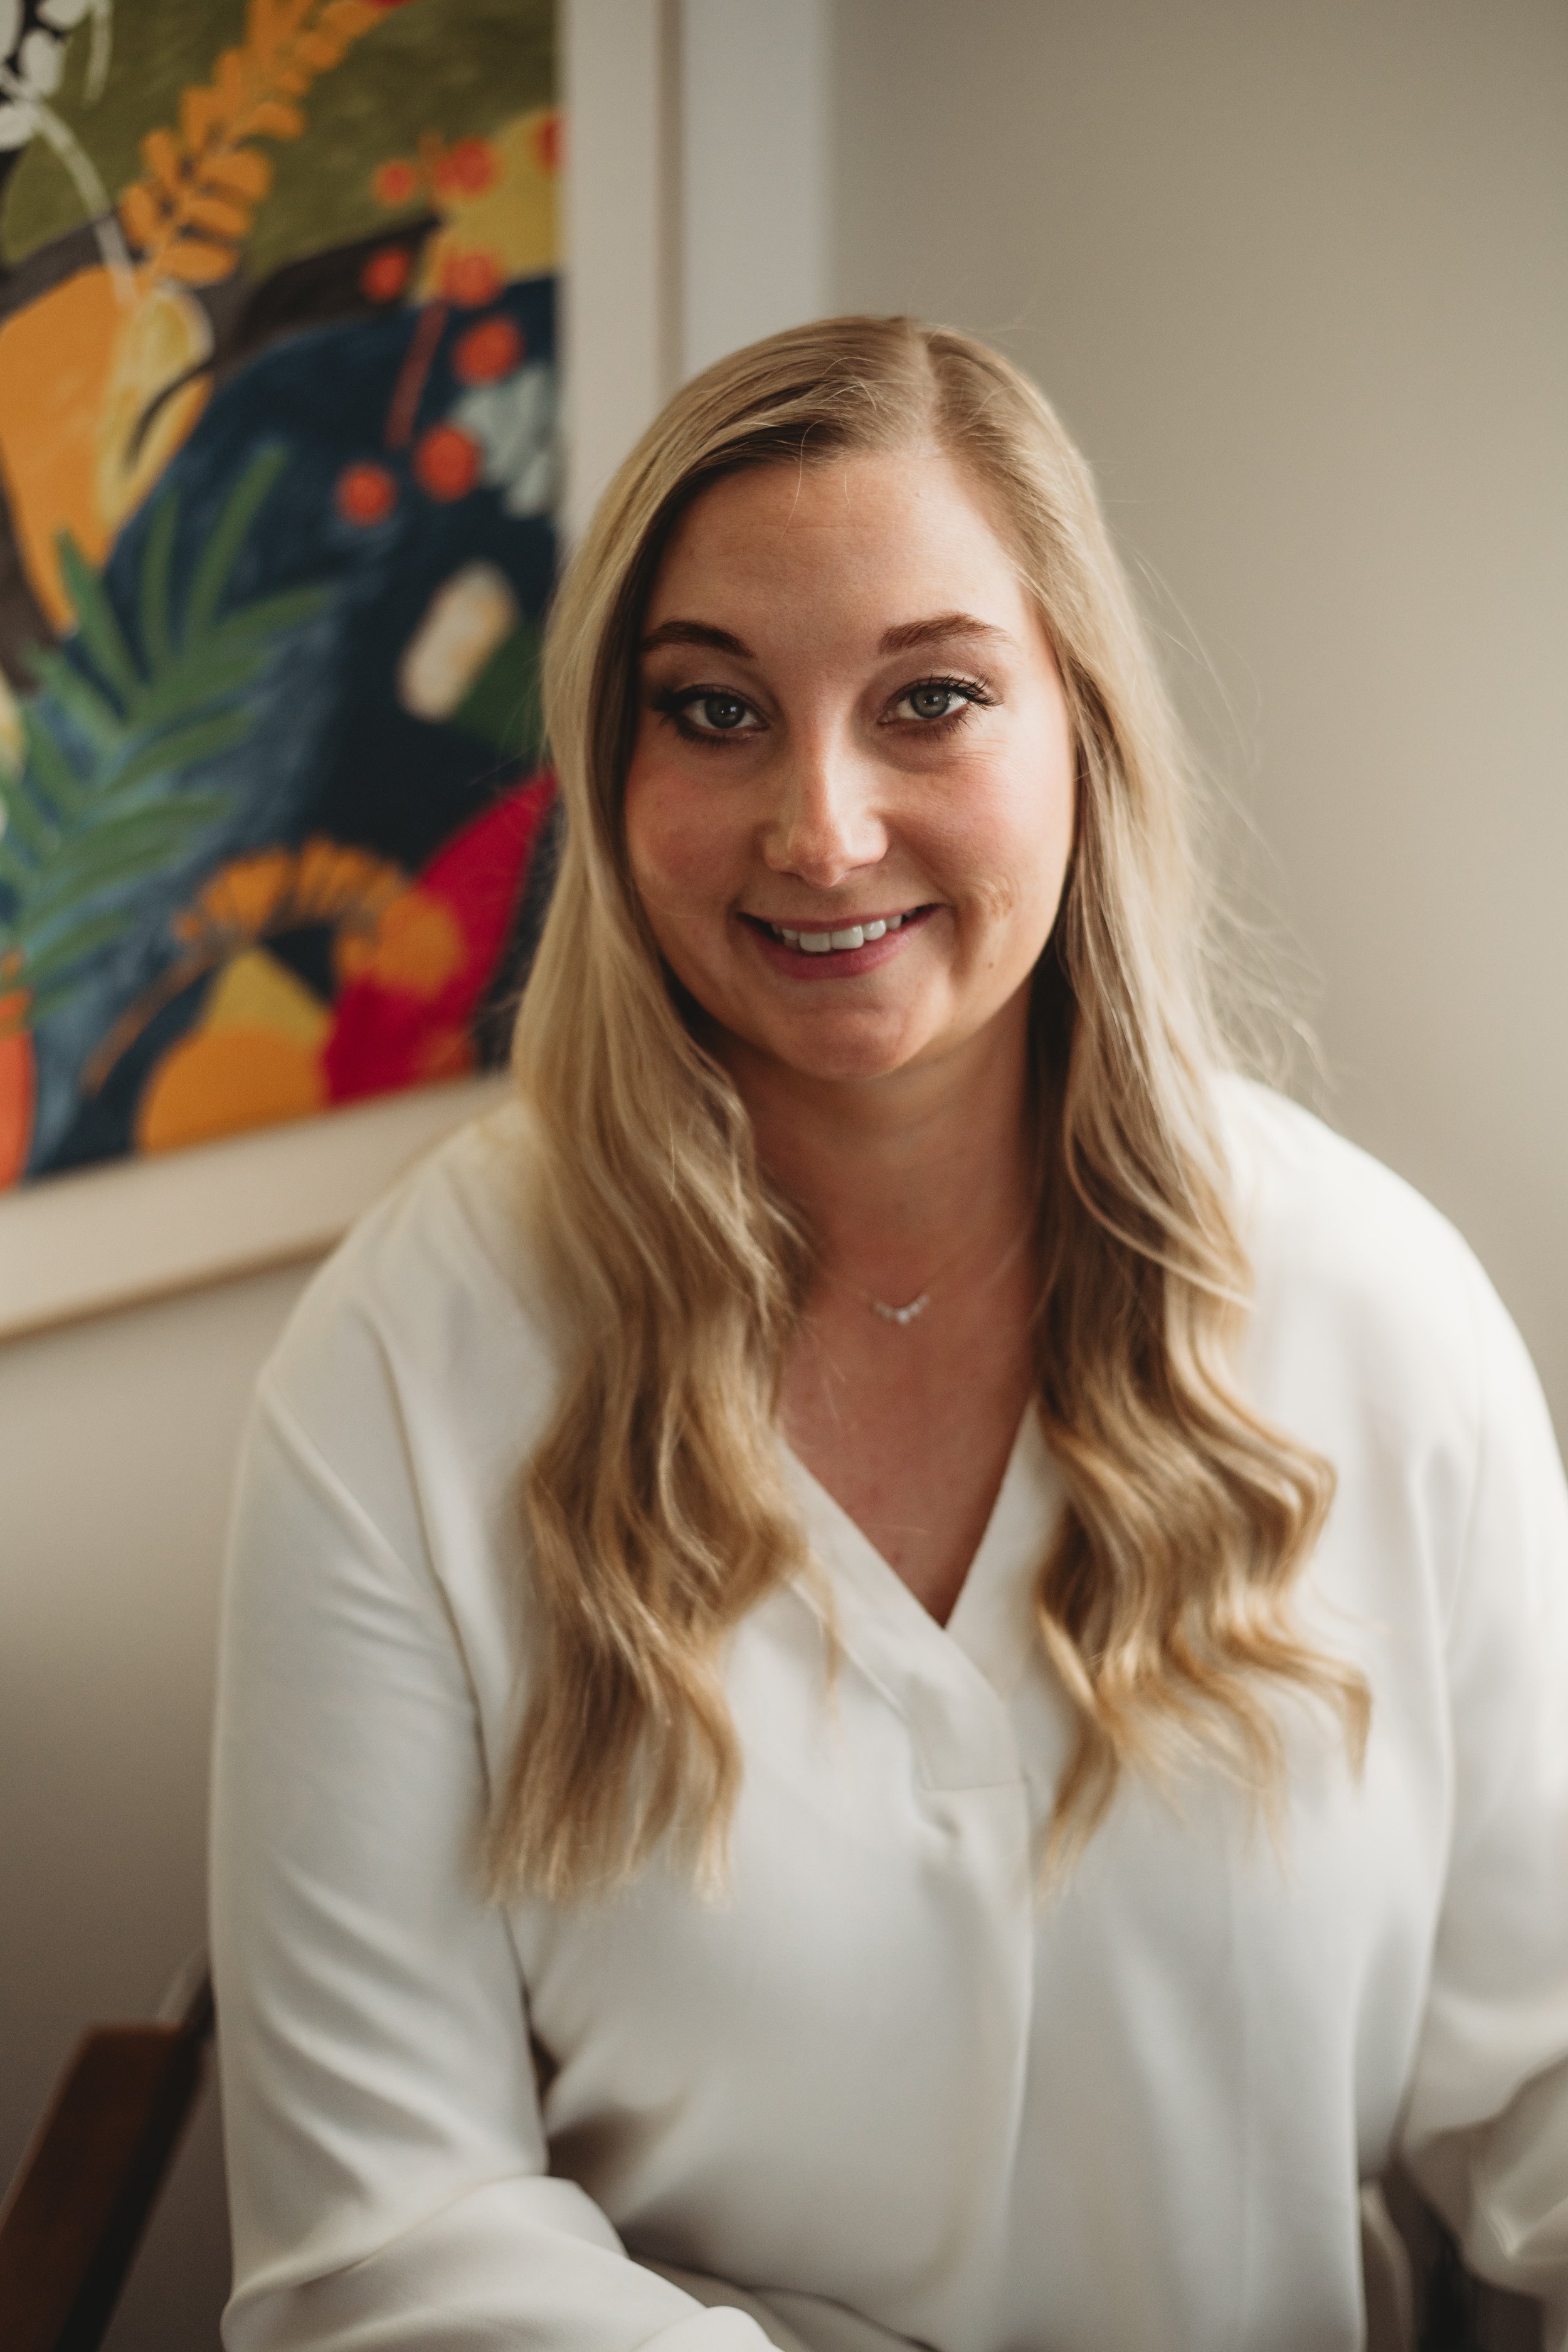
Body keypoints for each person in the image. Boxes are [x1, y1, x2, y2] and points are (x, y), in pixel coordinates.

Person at [210, 316, 1568, 2352]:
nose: (822, 829)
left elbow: (1535, 2091)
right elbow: (381, 2245)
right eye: (714, 711)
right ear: (612, 770)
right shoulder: (398, 1373)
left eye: (929, 698)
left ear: (1081, 729)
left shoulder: (1381, 1315)